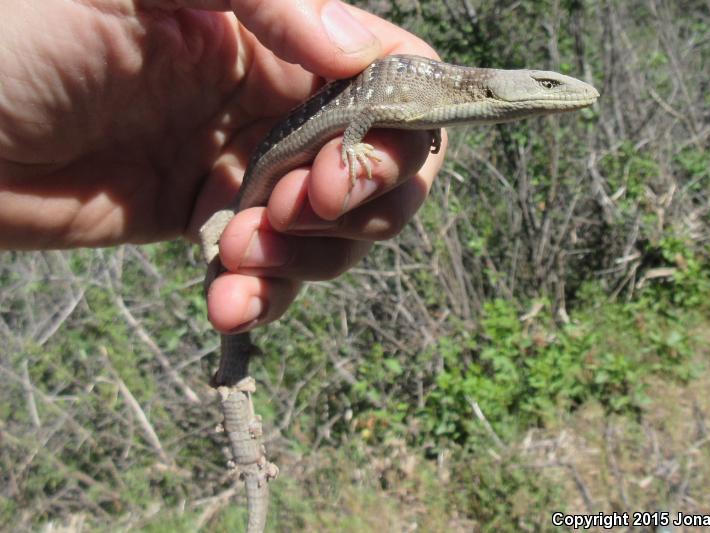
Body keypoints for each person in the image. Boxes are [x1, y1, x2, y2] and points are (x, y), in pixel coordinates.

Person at [0, 0, 445, 333]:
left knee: (255, 237)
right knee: (277, 219)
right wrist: (351, 145)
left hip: (218, 181)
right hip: (270, 151)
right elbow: (365, 114)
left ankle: (235, 377)